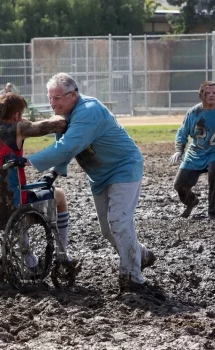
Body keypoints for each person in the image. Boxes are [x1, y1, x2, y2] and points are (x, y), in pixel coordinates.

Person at [26, 72, 156, 293]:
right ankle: (140, 254)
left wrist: (29, 160)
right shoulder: (66, 115)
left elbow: (67, 147)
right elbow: (68, 145)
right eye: (50, 97)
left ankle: (133, 278)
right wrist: (55, 172)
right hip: (99, 174)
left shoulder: (88, 111)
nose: (52, 103)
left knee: (118, 222)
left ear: (73, 94)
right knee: (107, 230)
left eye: (57, 97)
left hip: (123, 167)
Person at [0, 93, 76, 268]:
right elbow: (59, 124)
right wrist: (59, 111)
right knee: (60, 196)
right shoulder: (17, 129)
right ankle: (62, 253)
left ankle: (29, 259)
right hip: (12, 202)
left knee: (14, 193)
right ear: (17, 115)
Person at [170, 81, 215, 220]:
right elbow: (182, 133)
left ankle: (213, 211)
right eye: (207, 93)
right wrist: (179, 150)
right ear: (201, 95)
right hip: (195, 153)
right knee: (179, 186)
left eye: (214, 93)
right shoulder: (193, 113)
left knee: (214, 172)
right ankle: (191, 201)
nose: (211, 95)